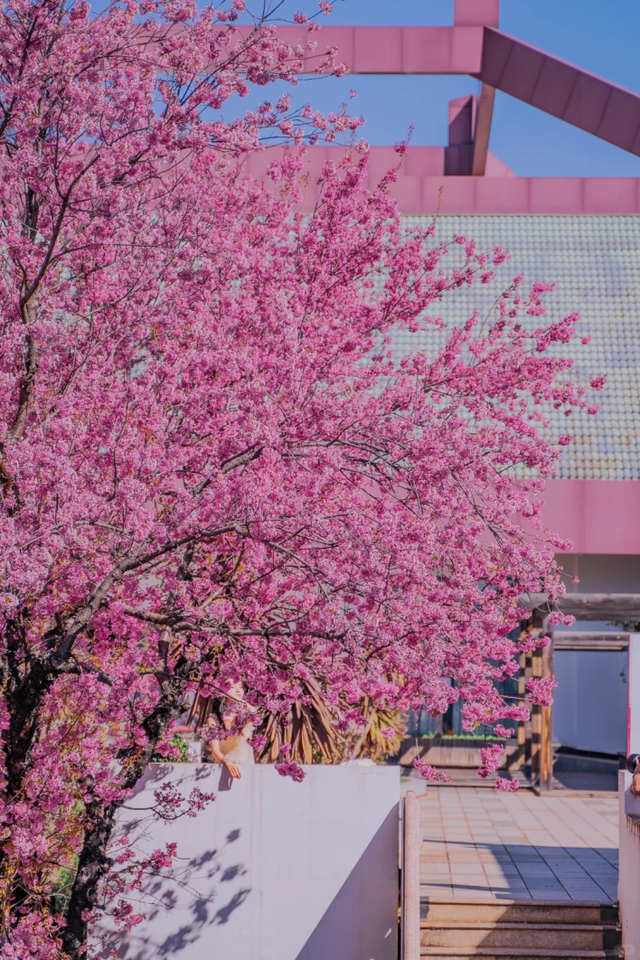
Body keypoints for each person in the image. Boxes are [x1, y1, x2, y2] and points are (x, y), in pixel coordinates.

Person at [197, 682, 255, 779]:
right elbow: (215, 751)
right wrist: (226, 761)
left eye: (240, 687)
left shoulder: (247, 715)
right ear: (222, 691)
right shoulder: (214, 719)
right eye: (232, 687)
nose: (238, 690)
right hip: (224, 770)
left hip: (248, 769)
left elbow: (255, 713)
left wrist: (241, 702)